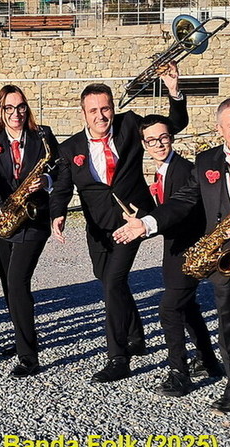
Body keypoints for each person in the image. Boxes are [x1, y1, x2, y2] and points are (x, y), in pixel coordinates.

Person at [115, 99, 230, 421]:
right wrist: (148, 223)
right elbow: (184, 199)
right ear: (219, 128)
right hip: (222, 256)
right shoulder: (207, 160)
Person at [48, 64, 188, 383]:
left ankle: (118, 357)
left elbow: (174, 126)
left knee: (113, 281)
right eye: (94, 110)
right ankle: (137, 336)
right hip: (98, 227)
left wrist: (174, 91)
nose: (101, 116)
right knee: (109, 279)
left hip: (133, 220)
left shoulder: (130, 125)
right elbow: (62, 187)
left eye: (106, 108)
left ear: (113, 107)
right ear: (83, 113)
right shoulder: (70, 148)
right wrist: (57, 213)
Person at [109, 113, 222, 397]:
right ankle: (208, 362)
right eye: (151, 140)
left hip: (187, 248)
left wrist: (146, 226)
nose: (159, 144)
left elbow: (181, 211)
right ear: (144, 144)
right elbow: (167, 212)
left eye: (163, 138)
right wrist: (142, 220)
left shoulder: (182, 170)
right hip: (176, 247)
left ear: (171, 138)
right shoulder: (164, 169)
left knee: (170, 309)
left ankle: (179, 374)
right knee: (188, 307)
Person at [0, 85, 59, 378]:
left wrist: (46, 181)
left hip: (33, 219)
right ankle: (22, 337)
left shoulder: (42, 135)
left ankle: (29, 357)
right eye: (9, 108)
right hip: (2, 219)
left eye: (20, 107)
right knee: (9, 284)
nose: (16, 113)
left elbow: (59, 169)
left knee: (18, 281)